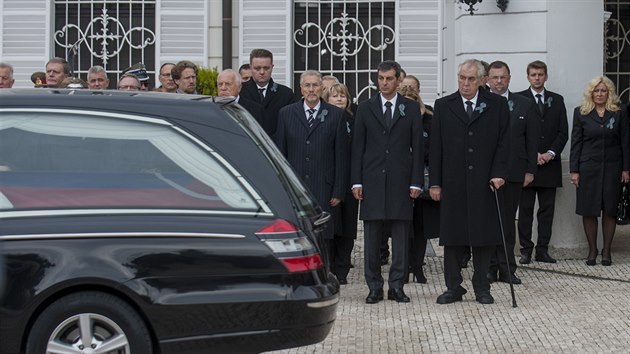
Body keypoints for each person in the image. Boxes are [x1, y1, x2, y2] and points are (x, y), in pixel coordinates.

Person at [430, 59, 510, 305]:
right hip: (453, 182)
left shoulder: (497, 105)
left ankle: (482, 287)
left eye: (471, 79)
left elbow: (505, 142)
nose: (465, 83)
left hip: (485, 182)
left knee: (483, 237)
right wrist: (435, 183)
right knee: (453, 237)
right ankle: (453, 287)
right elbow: (436, 148)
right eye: (461, 78)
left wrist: (499, 173)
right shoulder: (444, 105)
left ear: (482, 80)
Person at [351, 60, 423, 304]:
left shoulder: (410, 109)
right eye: (380, 79)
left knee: (401, 238)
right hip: (371, 180)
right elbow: (357, 148)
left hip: (401, 181)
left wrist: (416, 182)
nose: (384, 83)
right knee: (371, 238)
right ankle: (374, 286)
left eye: (389, 79)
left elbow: (417, 146)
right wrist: (356, 181)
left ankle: (397, 286)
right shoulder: (365, 107)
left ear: (398, 79)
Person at [275, 70, 348, 271]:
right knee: (297, 233)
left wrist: (339, 191)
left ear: (322, 88)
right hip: (295, 186)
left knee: (324, 235)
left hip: (324, 186)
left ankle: (324, 275)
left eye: (315, 85)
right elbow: (280, 154)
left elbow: (341, 156)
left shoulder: (336, 115)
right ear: (301, 89)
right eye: (307, 85)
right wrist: (283, 188)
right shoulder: (286, 113)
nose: (311, 89)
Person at [486, 60, 540, 285]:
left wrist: (530, 170)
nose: (499, 81)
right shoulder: (481, 103)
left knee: (508, 222)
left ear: (509, 78)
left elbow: (532, 140)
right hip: (488, 174)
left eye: (503, 77)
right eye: (495, 77)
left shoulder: (524, 104)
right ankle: (489, 268)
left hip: (515, 172)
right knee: (489, 222)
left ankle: (507, 268)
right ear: (487, 80)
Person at [570, 76, 630, 266]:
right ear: (591, 93)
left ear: (609, 93)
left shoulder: (619, 112)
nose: (599, 94)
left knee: (609, 209)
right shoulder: (581, 113)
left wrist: (626, 168)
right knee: (589, 209)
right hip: (588, 167)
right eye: (596, 90)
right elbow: (576, 143)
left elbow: (626, 142)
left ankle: (606, 251)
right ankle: (592, 250)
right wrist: (574, 171)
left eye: (603, 90)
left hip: (613, 167)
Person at [516, 60, 568, 264]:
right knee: (526, 210)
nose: (537, 78)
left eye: (540, 74)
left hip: (550, 164)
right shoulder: (519, 99)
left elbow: (563, 131)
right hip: (527, 165)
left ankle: (543, 250)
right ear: (527, 77)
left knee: (547, 211)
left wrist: (550, 153)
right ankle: (526, 250)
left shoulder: (557, 100)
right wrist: (532, 154)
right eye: (533, 75)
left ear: (546, 76)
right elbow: (516, 133)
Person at [399, 83, 438, 285]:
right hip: (401, 179)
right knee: (403, 227)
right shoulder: (397, 120)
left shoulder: (429, 120)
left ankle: (418, 267)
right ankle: (403, 268)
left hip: (423, 178)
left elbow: (434, 149)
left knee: (421, 229)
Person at [322, 82, 358, 284]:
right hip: (330, 180)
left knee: (348, 227)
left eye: (342, 96)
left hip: (350, 180)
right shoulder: (324, 120)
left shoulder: (353, 120)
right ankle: (330, 268)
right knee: (331, 226)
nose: (339, 99)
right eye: (334, 96)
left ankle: (343, 268)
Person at [239, 49, 296, 138]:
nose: (262, 72)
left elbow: (290, 128)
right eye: (257, 68)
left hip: (276, 148)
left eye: (266, 68)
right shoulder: (240, 91)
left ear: (272, 67)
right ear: (250, 67)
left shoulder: (286, 94)